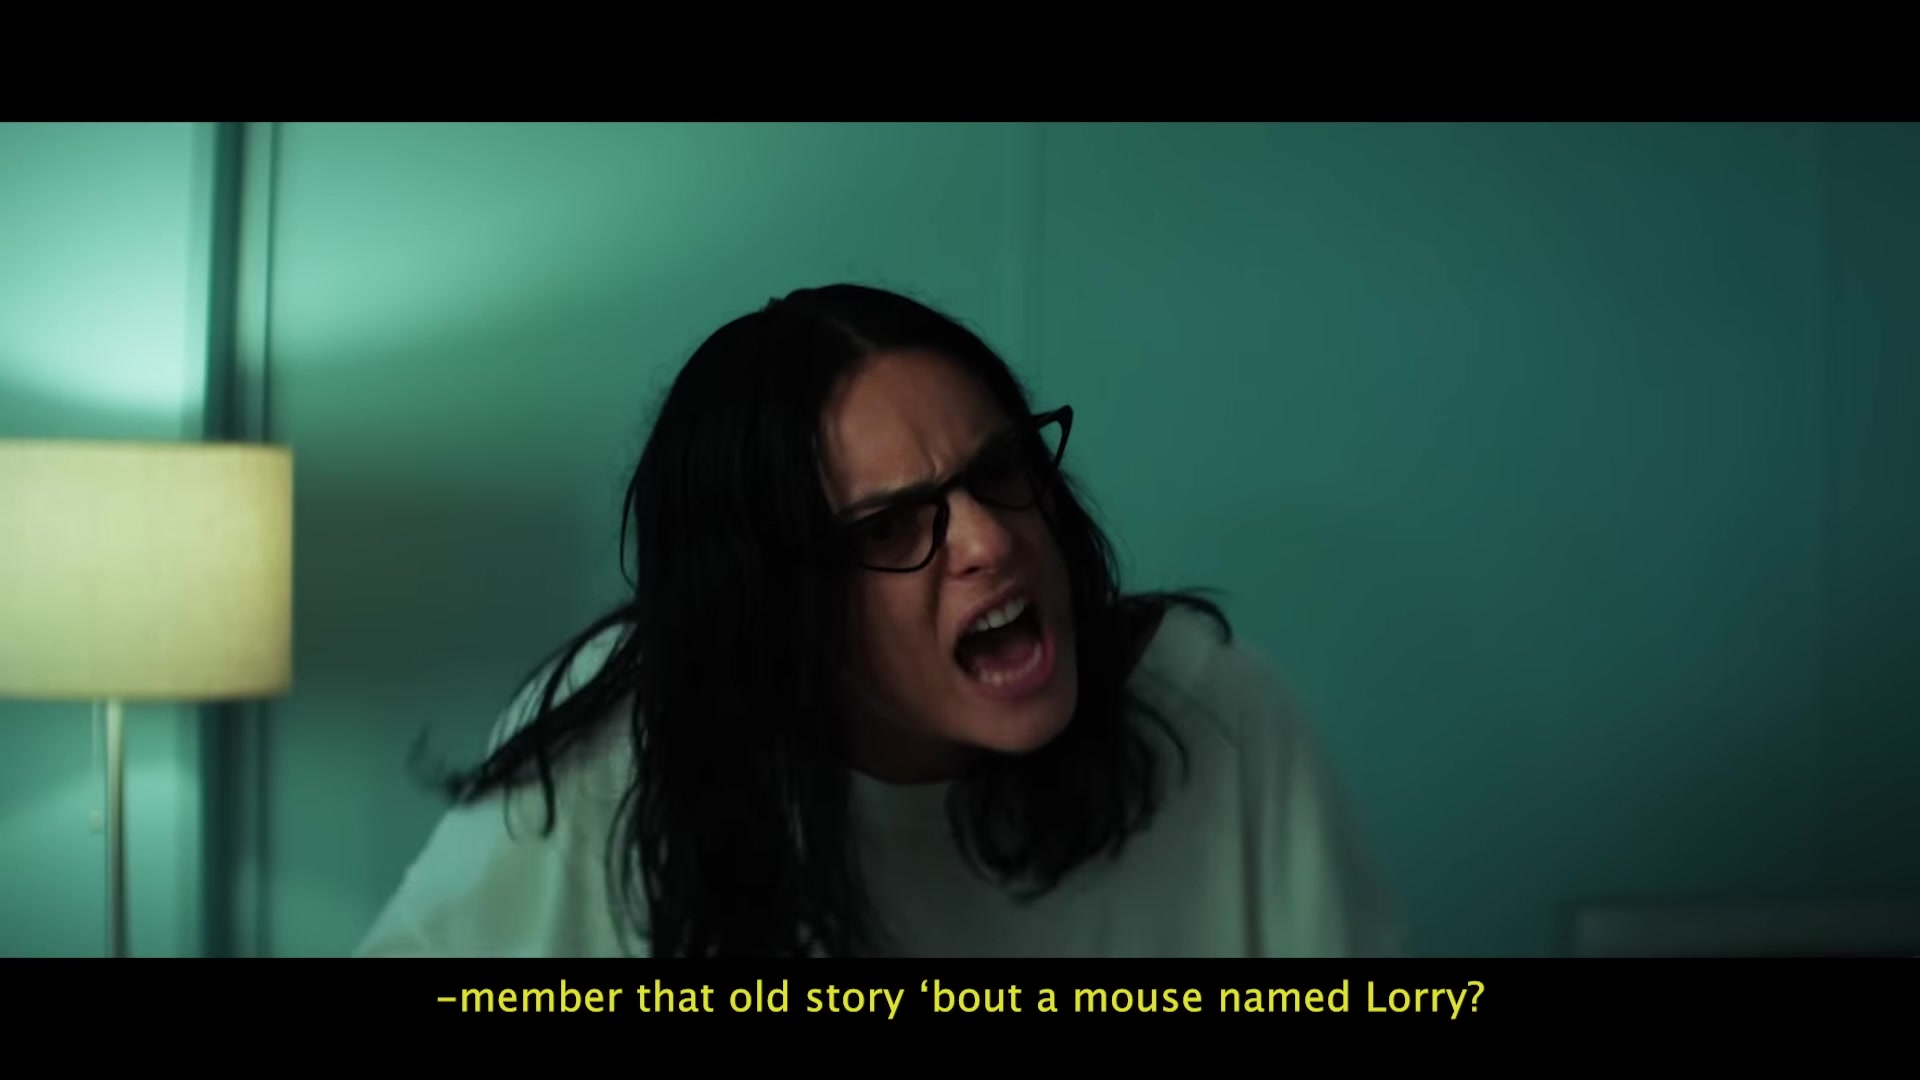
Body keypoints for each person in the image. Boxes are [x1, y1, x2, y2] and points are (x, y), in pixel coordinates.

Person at [354, 284, 1403, 958]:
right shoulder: (615, 745)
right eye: (893, 524)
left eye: (1002, 469)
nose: (990, 540)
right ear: (768, 602)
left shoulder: (1214, 709)